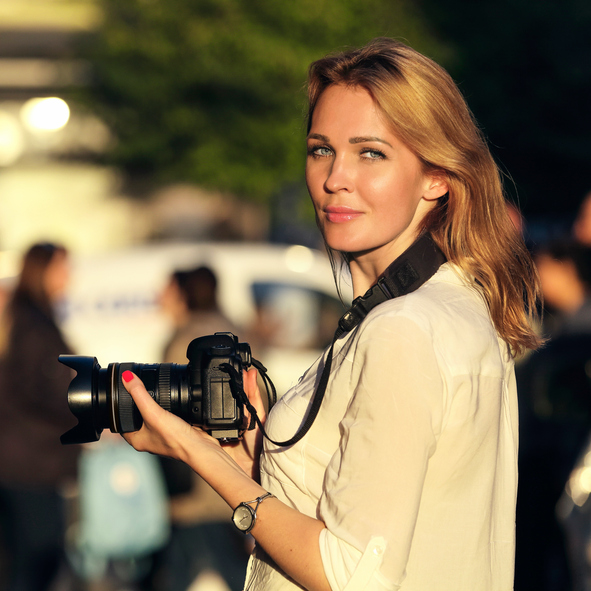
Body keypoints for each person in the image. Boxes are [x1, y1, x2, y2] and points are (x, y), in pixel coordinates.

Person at [120, 38, 542, 590]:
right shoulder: (452, 304)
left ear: (438, 175)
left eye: (371, 153)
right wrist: (260, 460)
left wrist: (197, 453)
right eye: (321, 149)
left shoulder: (402, 329)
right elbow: (390, 518)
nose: (336, 176)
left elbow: (351, 574)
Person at [157, 266, 250, 591]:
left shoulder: (185, 342)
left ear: (184, 294)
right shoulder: (237, 335)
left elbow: (169, 411)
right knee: (239, 569)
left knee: (183, 573)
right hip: (240, 477)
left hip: (195, 484)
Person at [0, 242, 80, 591]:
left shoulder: (25, 318)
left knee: (23, 563)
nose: (68, 277)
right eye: (62, 269)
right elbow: (47, 391)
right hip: (31, 462)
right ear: (42, 271)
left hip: (21, 458)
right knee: (37, 563)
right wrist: (87, 412)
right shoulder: (34, 324)